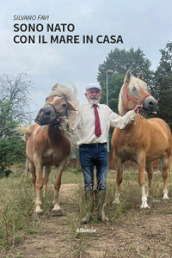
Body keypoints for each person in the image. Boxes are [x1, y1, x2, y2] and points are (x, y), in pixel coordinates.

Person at [73, 82, 142, 224]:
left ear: (100, 95)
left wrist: (133, 112)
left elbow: (121, 122)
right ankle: (87, 213)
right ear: (86, 95)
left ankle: (101, 212)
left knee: (102, 182)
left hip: (102, 150)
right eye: (91, 92)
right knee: (88, 183)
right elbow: (72, 127)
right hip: (85, 150)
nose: (93, 94)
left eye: (96, 92)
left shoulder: (105, 110)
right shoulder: (79, 110)